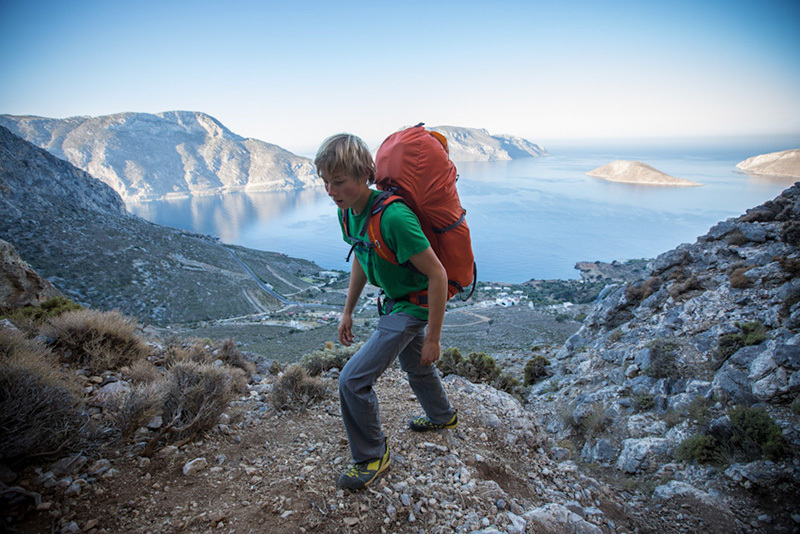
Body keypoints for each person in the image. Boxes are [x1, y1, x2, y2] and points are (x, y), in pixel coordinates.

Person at [314, 133, 458, 490]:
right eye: (325, 182)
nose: (331, 191)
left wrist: (435, 338)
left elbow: (437, 273)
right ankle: (442, 417)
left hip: (412, 305)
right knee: (415, 365)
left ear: (364, 174)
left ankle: (373, 456)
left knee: (352, 380)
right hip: (395, 301)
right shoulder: (347, 214)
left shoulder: (394, 217)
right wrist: (347, 310)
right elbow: (363, 258)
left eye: (339, 182)